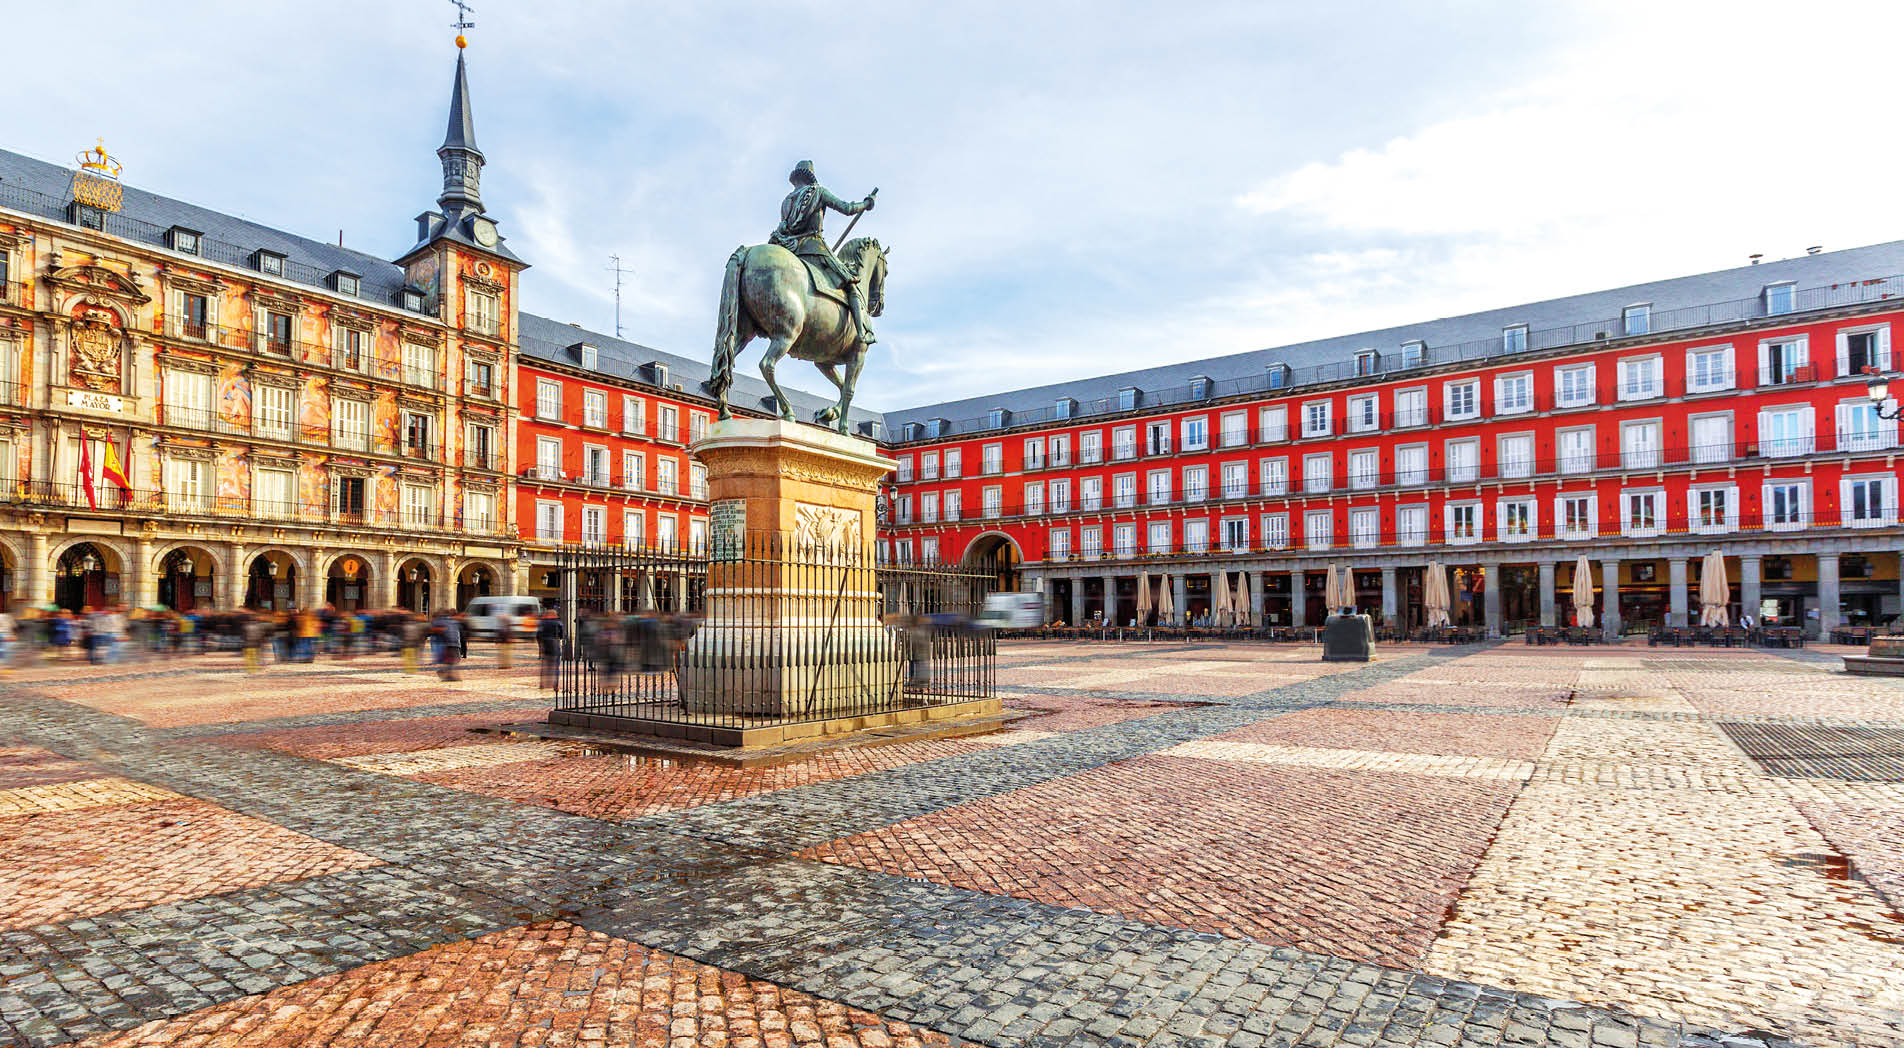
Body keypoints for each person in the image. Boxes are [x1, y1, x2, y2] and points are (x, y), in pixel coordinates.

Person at [771, 161, 878, 346]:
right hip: (813, 247)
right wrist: (866, 204)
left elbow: (787, 228)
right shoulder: (818, 191)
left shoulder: (786, 201)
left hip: (791, 250)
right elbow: (847, 208)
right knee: (852, 283)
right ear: (810, 176)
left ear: (796, 178)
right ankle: (863, 333)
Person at [536, 609, 565, 689]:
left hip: (545, 645)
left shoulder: (542, 622)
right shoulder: (558, 623)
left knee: (544, 666)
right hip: (554, 645)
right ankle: (555, 685)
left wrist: (540, 645)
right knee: (556, 666)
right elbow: (562, 635)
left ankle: (542, 684)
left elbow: (538, 635)